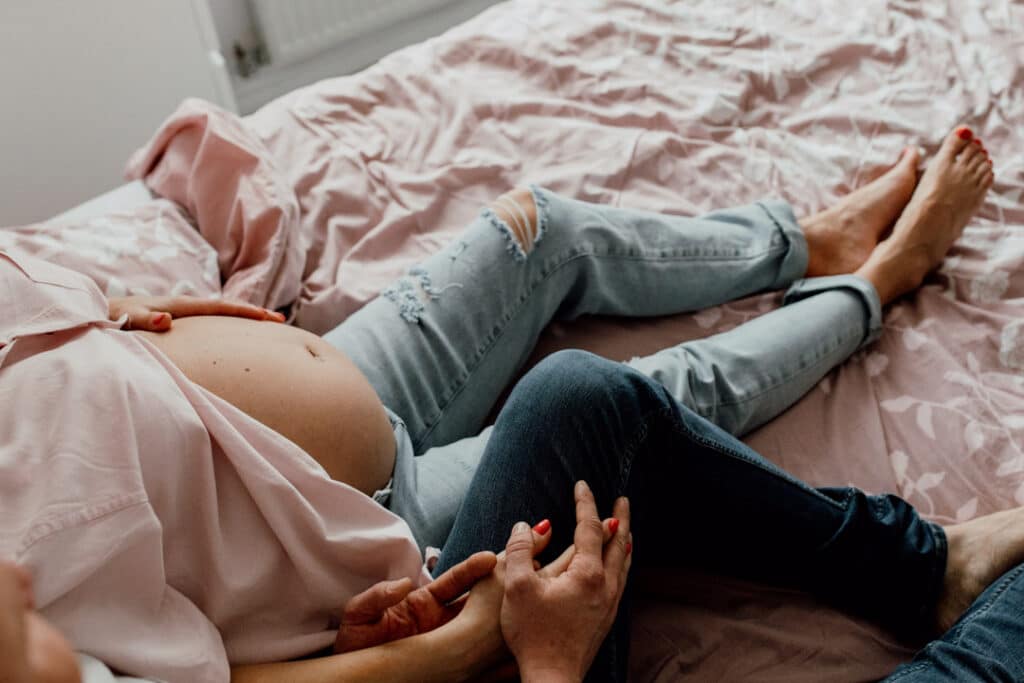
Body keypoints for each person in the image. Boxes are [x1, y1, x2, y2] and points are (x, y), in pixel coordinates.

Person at [0, 126, 1006, 681]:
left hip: (305, 394)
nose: (16, 588)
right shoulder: (42, 610)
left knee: (534, 231)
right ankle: (873, 283)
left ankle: (803, 243)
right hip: (358, 531)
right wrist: (469, 641)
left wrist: (122, 311)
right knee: (626, 399)